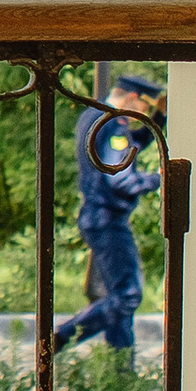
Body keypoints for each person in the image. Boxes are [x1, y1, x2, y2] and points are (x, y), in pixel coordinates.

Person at [53, 78, 166, 358]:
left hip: (96, 216)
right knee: (128, 296)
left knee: (118, 299)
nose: (141, 113)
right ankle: (59, 337)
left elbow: (132, 145)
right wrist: (158, 179)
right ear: (132, 97)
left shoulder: (93, 115)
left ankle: (121, 373)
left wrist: (159, 117)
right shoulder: (114, 123)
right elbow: (119, 178)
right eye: (144, 106)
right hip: (108, 219)